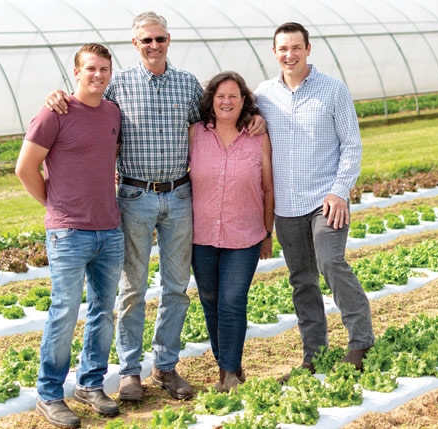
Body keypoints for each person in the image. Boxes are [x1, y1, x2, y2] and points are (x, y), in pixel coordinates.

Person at [44, 12, 266, 402]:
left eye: (160, 39)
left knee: (177, 288)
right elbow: (88, 105)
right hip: (134, 197)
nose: (153, 46)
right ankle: (130, 372)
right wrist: (57, 94)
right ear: (135, 44)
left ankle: (165, 366)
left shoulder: (187, 86)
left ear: (168, 41)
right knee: (131, 289)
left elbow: (219, 118)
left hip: (180, 196)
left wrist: (256, 118)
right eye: (146, 40)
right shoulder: (117, 86)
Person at [254, 22, 375, 378]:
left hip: (326, 200)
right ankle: (314, 354)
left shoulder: (333, 90)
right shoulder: (263, 94)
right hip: (286, 206)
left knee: (331, 263)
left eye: (295, 48)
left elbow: (352, 145)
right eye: (282, 49)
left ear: (308, 49)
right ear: (274, 53)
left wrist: (340, 191)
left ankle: (361, 341)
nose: (289, 55)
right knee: (301, 279)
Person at [15, 43, 123, 428]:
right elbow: (25, 167)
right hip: (69, 232)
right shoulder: (54, 112)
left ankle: (91, 384)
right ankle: (49, 394)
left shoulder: (113, 112)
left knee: (102, 312)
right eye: (90, 68)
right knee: (63, 313)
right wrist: (55, 207)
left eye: (104, 69)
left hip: (110, 230)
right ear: (76, 72)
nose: (98, 75)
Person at [189, 71, 274, 392]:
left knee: (233, 301)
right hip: (202, 236)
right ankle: (231, 365)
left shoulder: (258, 137)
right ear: (211, 100)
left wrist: (267, 233)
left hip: (245, 235)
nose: (226, 101)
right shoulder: (195, 134)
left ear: (244, 102)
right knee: (210, 302)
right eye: (220, 96)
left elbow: (268, 189)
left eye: (233, 97)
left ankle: (226, 376)